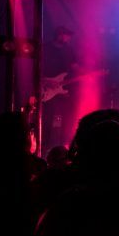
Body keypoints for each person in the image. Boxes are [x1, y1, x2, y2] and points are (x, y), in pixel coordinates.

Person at [41, 25, 81, 156]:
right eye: (66, 35)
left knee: (68, 119)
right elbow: (36, 66)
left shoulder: (69, 50)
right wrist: (45, 81)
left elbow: (74, 67)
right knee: (47, 120)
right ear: (59, 35)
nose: (68, 38)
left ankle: (63, 149)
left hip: (64, 89)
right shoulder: (45, 48)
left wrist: (89, 74)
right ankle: (43, 149)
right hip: (46, 88)